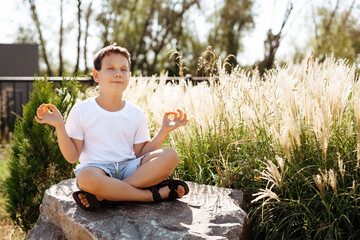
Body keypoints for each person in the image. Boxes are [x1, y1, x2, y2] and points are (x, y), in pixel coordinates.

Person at [35, 43, 189, 211]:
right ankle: (151, 196)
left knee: (170, 155)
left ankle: (106, 196)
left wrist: (164, 130)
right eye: (110, 68)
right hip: (97, 171)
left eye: (124, 70)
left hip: (129, 168)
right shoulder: (81, 110)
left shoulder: (135, 113)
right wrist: (59, 126)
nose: (118, 73)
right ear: (96, 75)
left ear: (129, 76)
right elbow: (72, 157)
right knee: (86, 178)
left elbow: (141, 153)